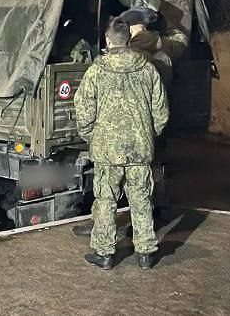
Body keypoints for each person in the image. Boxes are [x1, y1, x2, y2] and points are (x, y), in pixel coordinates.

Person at [73, 17, 169, 270]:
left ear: (107, 41)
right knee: (141, 198)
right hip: (140, 148)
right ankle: (146, 253)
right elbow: (161, 113)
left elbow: (83, 111)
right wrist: (148, 134)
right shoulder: (149, 70)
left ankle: (105, 254)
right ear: (129, 39)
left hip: (107, 149)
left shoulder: (96, 71)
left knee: (105, 200)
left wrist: (92, 137)